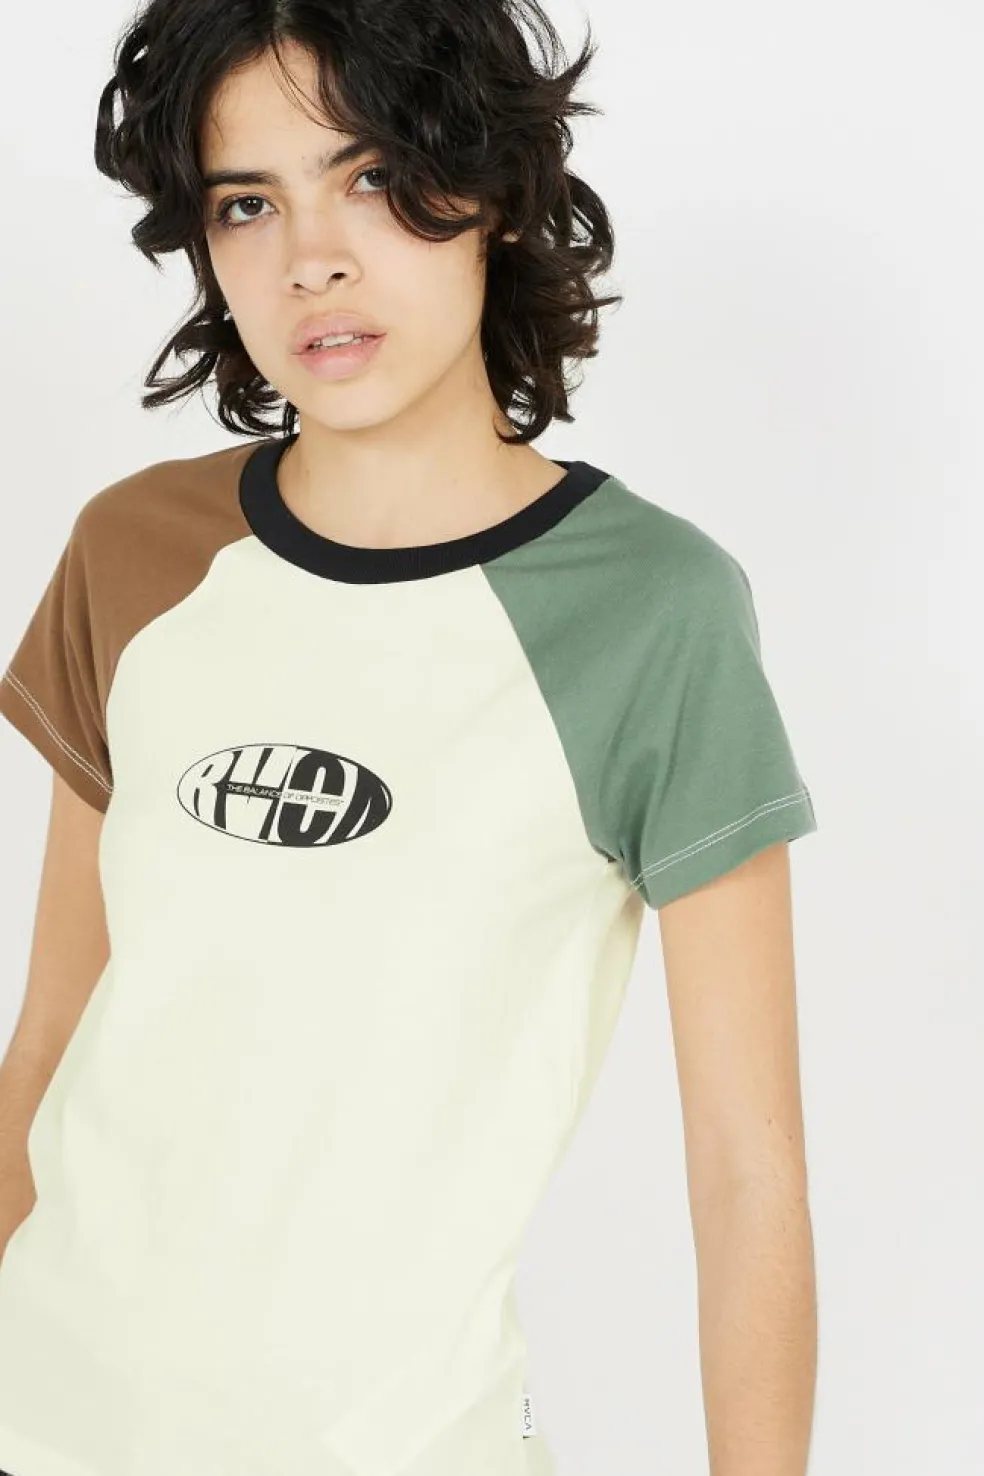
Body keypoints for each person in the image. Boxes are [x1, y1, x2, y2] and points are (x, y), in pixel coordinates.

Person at [0, 2, 819, 1474]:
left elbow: (745, 1175)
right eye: (248, 203)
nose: (311, 258)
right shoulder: (137, 552)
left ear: (490, 193)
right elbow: (48, 1044)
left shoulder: (650, 613)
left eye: (372, 176)